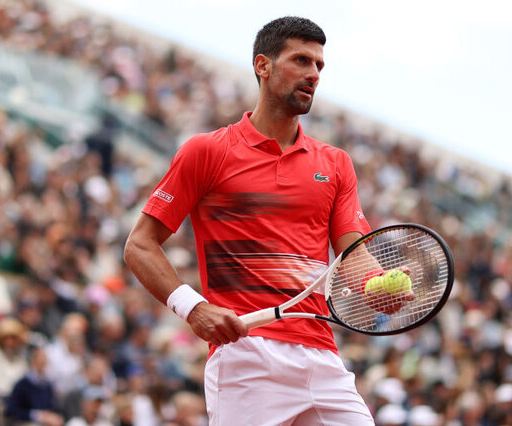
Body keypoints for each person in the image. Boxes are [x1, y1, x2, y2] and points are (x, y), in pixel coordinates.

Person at [124, 16, 376, 425]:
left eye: (319, 66)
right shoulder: (207, 151)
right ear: (263, 65)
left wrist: (379, 286)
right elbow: (139, 244)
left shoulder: (336, 164)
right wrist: (194, 308)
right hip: (246, 356)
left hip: (323, 356)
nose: (313, 74)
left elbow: (354, 252)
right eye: (300, 60)